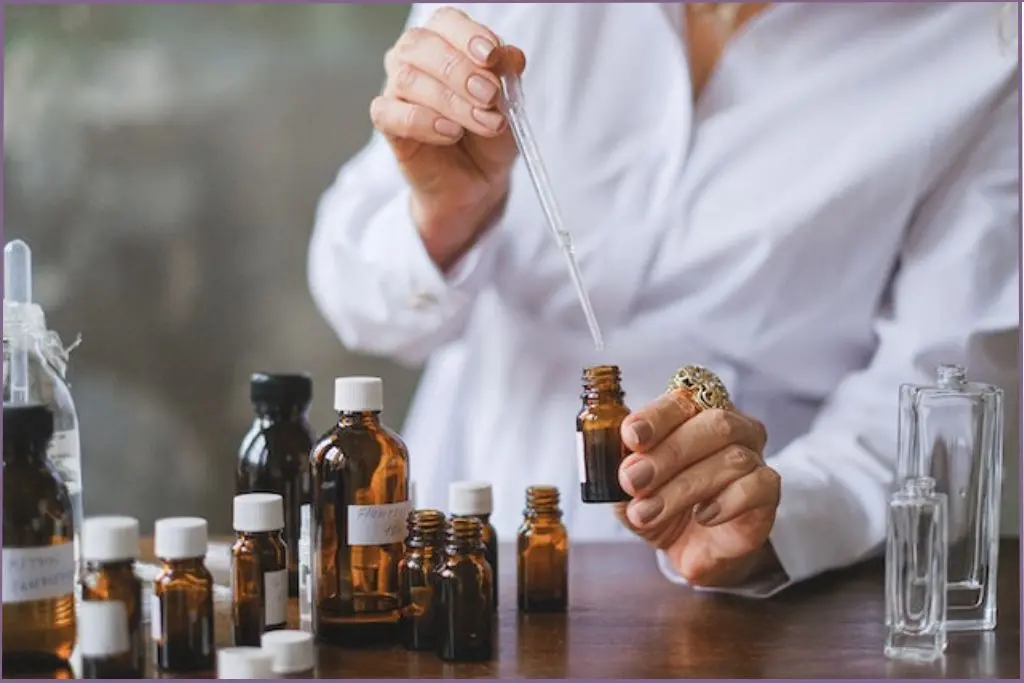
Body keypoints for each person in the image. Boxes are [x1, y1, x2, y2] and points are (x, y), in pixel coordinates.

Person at [308, 2, 1019, 596]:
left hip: (738, 601)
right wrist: (447, 214)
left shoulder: (982, 41)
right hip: (468, 534)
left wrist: (777, 512)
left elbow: (943, 406)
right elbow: (355, 297)